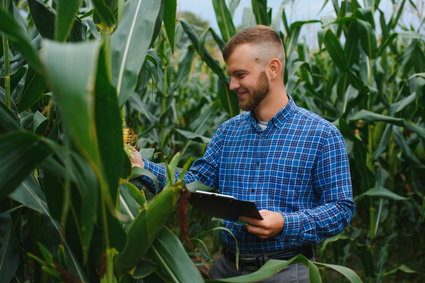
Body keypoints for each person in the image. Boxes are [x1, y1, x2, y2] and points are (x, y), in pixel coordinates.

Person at [131, 25, 355, 282]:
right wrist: (140, 166)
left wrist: (285, 223)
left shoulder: (321, 134)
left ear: (273, 68)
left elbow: (341, 208)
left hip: (286, 271)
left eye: (240, 75)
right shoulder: (228, 132)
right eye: (231, 76)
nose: (232, 85)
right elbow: (192, 182)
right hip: (228, 268)